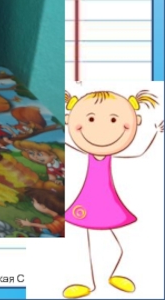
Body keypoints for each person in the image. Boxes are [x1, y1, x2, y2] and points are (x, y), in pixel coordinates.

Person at [62, 90, 162, 298]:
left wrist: (156, 133)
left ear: (135, 121)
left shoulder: (116, 157)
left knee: (121, 240)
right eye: (91, 119)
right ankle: (85, 281)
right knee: (84, 240)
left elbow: (139, 152)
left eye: (114, 120)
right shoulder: (80, 153)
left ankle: (118, 273)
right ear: (70, 120)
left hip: (109, 203)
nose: (101, 130)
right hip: (86, 203)